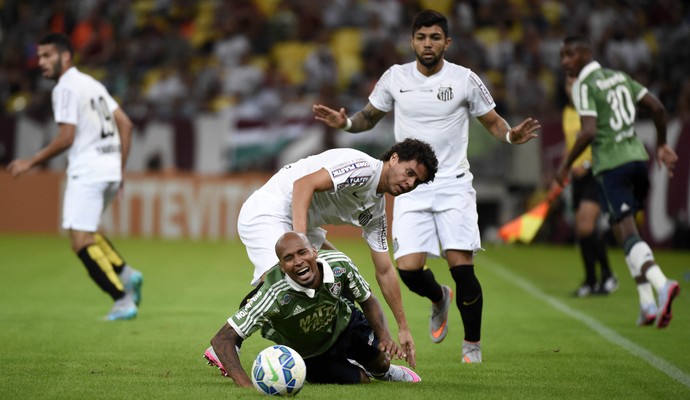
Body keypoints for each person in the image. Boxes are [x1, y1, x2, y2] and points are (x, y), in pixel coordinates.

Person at [312, 9, 541, 363]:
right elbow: (367, 118)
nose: (428, 43)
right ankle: (438, 298)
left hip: (453, 185)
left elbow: (493, 122)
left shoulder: (465, 79)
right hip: (410, 187)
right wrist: (345, 122)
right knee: (407, 269)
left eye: (435, 37)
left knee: (460, 264)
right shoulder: (395, 77)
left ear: (447, 42)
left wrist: (511, 135)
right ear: (412, 41)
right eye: (422, 37)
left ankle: (472, 347)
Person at [220, 138, 438, 368]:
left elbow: (384, 270)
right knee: (286, 280)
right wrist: (301, 244)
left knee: (340, 270)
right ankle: (229, 341)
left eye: (417, 181)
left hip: (304, 223)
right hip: (270, 210)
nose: (410, 183)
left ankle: (352, 347)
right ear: (394, 159)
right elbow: (303, 185)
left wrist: (403, 327)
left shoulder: (376, 212)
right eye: (409, 172)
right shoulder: (363, 168)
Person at [7, 33, 143, 321]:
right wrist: (120, 169)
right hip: (108, 170)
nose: (40, 61)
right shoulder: (92, 84)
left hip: (88, 170)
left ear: (65, 56)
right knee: (88, 230)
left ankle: (121, 299)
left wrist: (31, 160)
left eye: (47, 56)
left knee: (79, 240)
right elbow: (127, 125)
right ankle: (127, 274)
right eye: (39, 56)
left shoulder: (65, 88)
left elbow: (67, 137)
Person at [556, 35, 680, 328]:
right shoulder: (620, 76)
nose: (564, 62)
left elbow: (587, 132)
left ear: (587, 53)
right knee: (626, 231)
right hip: (639, 161)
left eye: (570, 55)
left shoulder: (585, 85)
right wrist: (662, 144)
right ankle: (647, 303)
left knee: (626, 231)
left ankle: (661, 284)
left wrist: (565, 165)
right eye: (562, 56)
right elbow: (659, 109)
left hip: (612, 165)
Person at [204, 231, 421, 385]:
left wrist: (384, 336)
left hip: (345, 325)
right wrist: (247, 386)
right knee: (362, 379)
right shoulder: (272, 292)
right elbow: (222, 339)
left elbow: (367, 299)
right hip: (310, 353)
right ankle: (351, 365)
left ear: (314, 251)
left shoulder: (340, 264)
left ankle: (385, 372)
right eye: (288, 258)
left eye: (302, 252)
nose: (298, 261)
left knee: (381, 364)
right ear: (281, 266)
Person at [560, 76, 618, 297]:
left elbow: (604, 143)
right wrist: (564, 167)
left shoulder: (593, 111)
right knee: (582, 229)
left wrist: (585, 163)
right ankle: (591, 280)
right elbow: (570, 145)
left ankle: (607, 274)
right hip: (577, 178)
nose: (571, 88)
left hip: (595, 173)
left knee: (586, 226)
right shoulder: (568, 112)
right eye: (568, 84)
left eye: (575, 84)